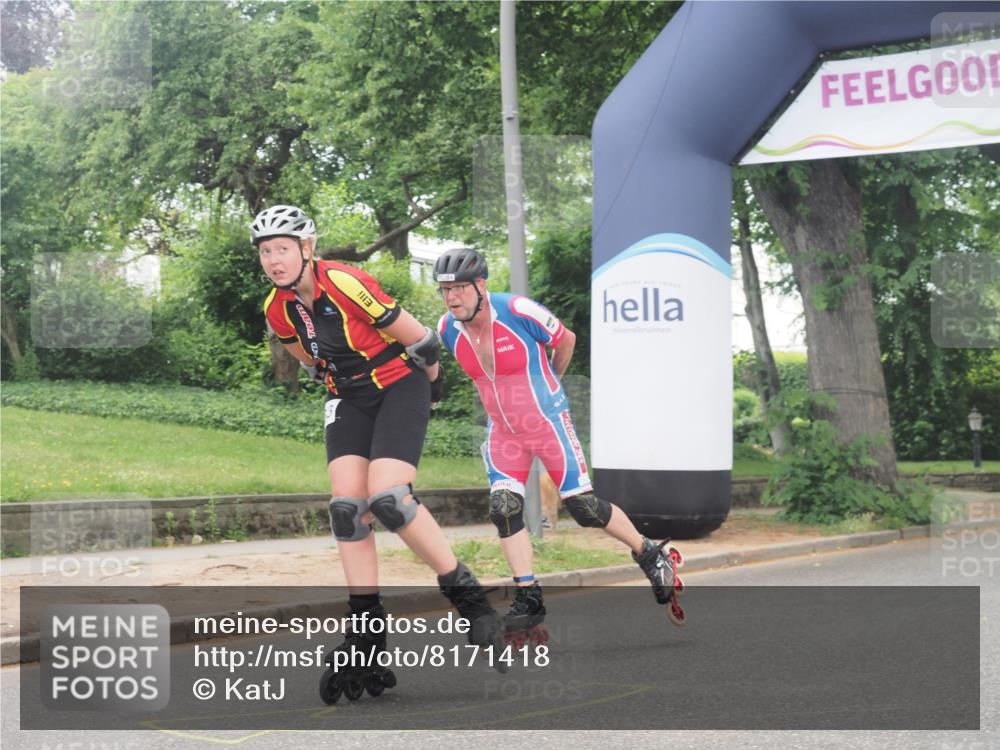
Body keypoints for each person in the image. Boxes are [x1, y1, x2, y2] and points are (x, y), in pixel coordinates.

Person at [253, 206, 507, 702]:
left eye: (283, 248)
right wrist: (340, 385)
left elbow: (423, 342)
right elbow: (311, 363)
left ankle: (470, 599)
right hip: (349, 395)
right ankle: (367, 633)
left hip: (399, 385)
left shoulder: (346, 282)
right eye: (266, 251)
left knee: (389, 497)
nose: (274, 260)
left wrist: (428, 394)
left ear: (307, 248)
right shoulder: (277, 309)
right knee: (347, 510)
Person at [433, 247, 686, 639]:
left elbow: (564, 339)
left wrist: (550, 383)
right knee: (503, 508)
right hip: (503, 432)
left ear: (481, 285)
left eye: (460, 288)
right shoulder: (447, 329)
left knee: (583, 507)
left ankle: (650, 554)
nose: (452, 298)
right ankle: (528, 597)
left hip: (547, 422)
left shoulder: (518, 310)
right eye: (445, 290)